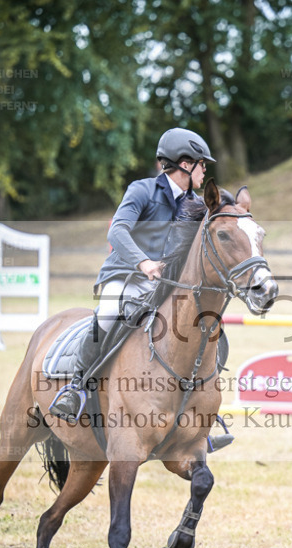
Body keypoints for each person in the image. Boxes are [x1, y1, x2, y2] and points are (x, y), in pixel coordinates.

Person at [48, 128, 215, 420]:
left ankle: (199, 403)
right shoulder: (142, 190)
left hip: (164, 286)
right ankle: (75, 387)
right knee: (108, 314)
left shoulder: (197, 205)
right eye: (202, 164)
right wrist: (143, 262)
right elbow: (117, 231)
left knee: (199, 328)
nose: (205, 170)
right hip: (126, 276)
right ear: (185, 164)